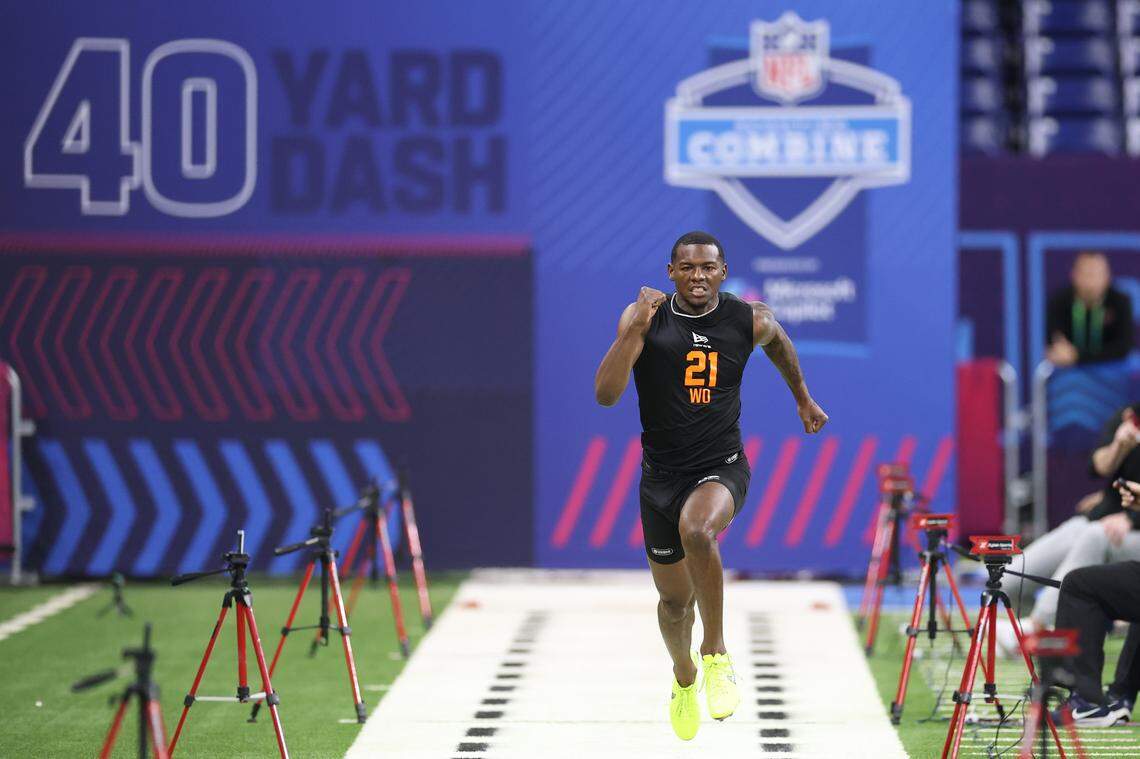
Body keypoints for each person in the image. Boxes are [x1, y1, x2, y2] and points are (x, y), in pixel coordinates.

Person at [593, 230, 828, 741]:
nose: (698, 276)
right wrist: (634, 329)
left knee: (698, 530)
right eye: (688, 268)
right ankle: (684, 678)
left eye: (708, 268)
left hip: (722, 466)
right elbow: (606, 396)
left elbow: (781, 344)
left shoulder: (750, 319)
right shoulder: (644, 320)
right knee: (674, 604)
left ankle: (716, 653)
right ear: (670, 272)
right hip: (659, 477)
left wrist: (802, 398)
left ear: (723, 272)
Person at [991, 403, 1140, 650]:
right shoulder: (1129, 415)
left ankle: (1037, 627)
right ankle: (1046, 637)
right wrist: (1119, 446)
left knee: (1095, 536)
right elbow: (1098, 466)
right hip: (1101, 520)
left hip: (1124, 531)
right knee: (1006, 582)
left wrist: (1132, 518)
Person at [1045, 251, 1133, 367]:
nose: (1090, 281)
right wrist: (1060, 351)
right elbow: (1054, 344)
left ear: (1107, 276)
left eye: (1096, 274)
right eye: (1086, 273)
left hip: (1112, 371)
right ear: (1074, 275)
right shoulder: (1058, 301)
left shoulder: (1121, 301)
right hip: (1069, 372)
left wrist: (1077, 356)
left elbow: (1123, 347)